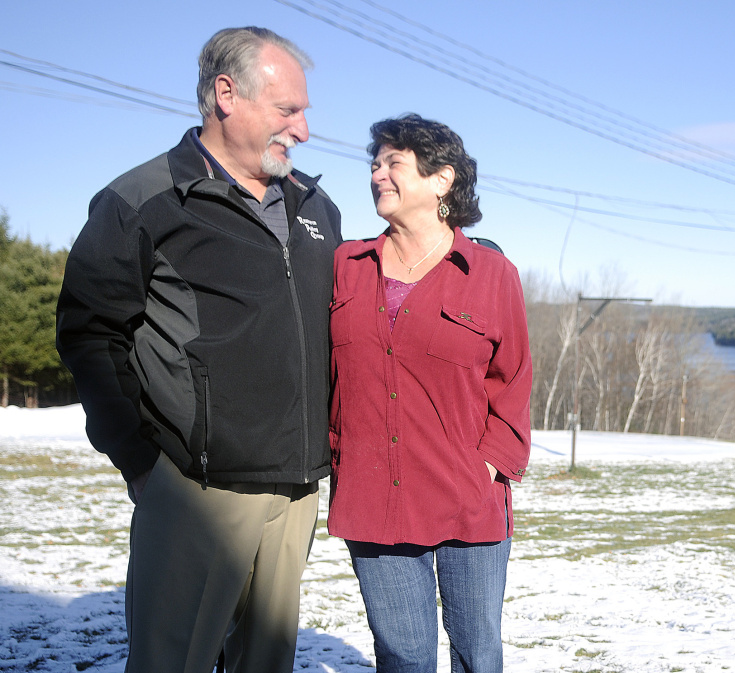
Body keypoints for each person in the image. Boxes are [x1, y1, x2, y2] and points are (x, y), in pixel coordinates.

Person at [55, 27, 342, 673]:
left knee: (265, 664)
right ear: (226, 94)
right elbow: (90, 332)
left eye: (304, 112)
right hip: (196, 490)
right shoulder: (143, 200)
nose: (302, 130)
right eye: (287, 110)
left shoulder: (316, 206)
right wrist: (140, 458)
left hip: (296, 489)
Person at [327, 113, 532, 673]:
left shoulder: (491, 273)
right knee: (403, 657)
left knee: (477, 654)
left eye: (393, 163)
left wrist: (488, 467)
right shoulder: (344, 267)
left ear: (443, 179)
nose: (377, 175)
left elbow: (512, 381)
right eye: (374, 164)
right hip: (374, 495)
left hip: (467, 495)